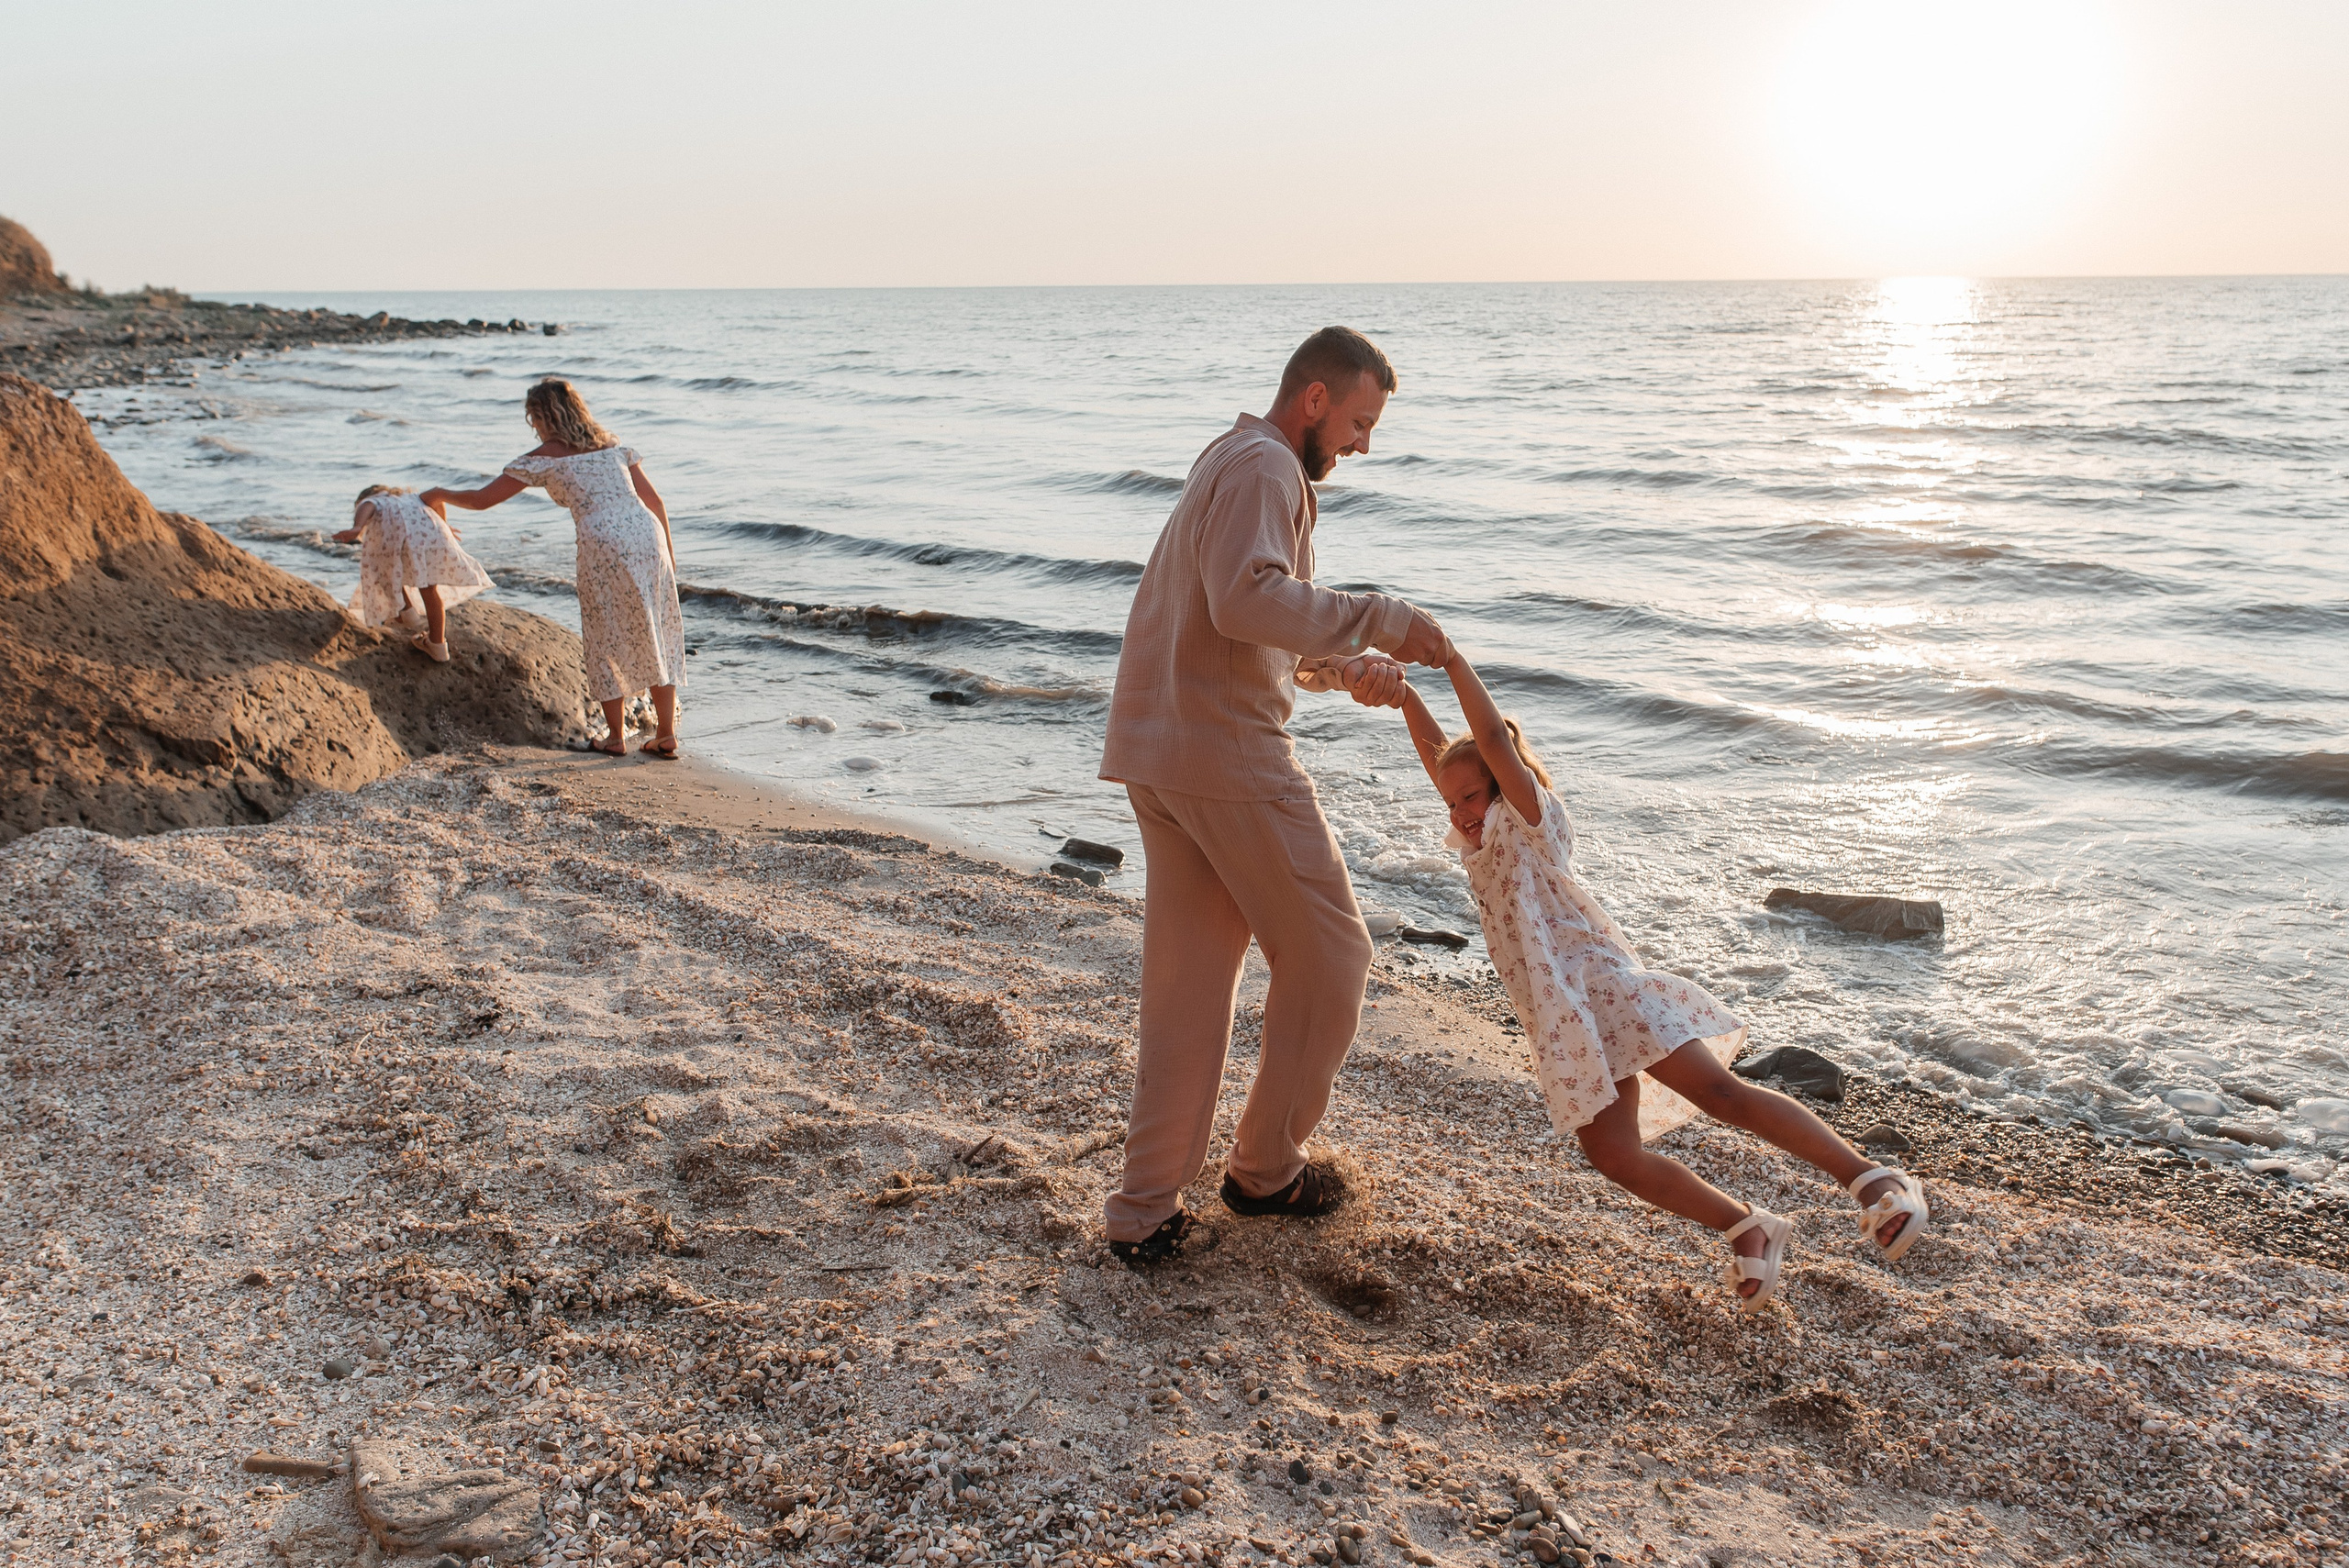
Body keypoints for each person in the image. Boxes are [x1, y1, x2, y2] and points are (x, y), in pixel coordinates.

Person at [1394, 651, 1931, 1311]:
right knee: (1615, 1155)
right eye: (1452, 804)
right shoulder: (1478, 845)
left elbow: (1492, 743)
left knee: (1720, 1093)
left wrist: (1444, 657)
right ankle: (1748, 1228)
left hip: (1606, 992)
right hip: (1567, 1025)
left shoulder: (1533, 825)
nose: (1461, 813)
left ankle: (1875, 1181)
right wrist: (1400, 696)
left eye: (1472, 797)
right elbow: (1441, 762)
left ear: (1506, 786)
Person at [1097, 325, 1453, 1267]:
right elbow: (1244, 598)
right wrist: (1380, 613)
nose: (1361, 445)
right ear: (1315, 400)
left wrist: (1343, 667)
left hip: (1158, 746)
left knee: (1187, 990)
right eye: (1359, 422)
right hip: (1224, 755)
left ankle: (1142, 1213)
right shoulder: (1266, 466)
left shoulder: (1231, 453)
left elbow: (1244, 616)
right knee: (1333, 952)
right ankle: (1264, 1171)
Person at [421, 379, 685, 757]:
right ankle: (665, 733)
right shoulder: (613, 447)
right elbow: (655, 501)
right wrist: (670, 557)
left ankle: (614, 738)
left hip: (603, 542)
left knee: (605, 631)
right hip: (647, 534)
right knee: (656, 628)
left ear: (543, 417)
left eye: (534, 419)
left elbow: (483, 500)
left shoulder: (544, 457)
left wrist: (440, 494)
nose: (535, 427)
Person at [332, 484, 494, 662]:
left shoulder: (375, 501)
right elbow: (437, 496)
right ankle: (437, 644)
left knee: (383, 571)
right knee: (430, 590)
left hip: (399, 540)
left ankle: (407, 613)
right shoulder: (414, 498)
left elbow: (367, 506)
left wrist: (357, 527)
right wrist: (444, 524)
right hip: (430, 538)